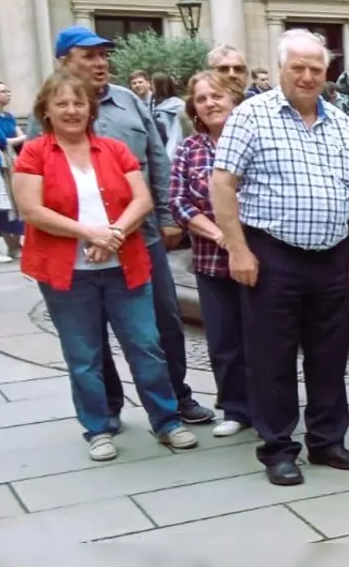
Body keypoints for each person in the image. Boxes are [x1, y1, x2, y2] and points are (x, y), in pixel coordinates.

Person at [210, 29, 349, 486]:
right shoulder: (252, 115)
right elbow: (222, 183)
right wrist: (238, 248)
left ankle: (327, 441)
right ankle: (279, 448)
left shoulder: (342, 121)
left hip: (331, 257)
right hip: (271, 255)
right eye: (298, 68)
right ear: (281, 68)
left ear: (326, 73)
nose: (307, 77)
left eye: (316, 69)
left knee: (329, 354)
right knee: (272, 356)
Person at [12, 71, 200, 462]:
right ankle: (98, 427)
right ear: (46, 110)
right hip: (69, 274)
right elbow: (32, 209)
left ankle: (166, 420)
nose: (71, 110)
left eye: (79, 103)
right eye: (61, 103)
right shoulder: (34, 153)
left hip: (125, 265)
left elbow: (142, 199)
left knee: (146, 346)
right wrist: (90, 234)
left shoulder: (113, 149)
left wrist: (112, 233)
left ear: (90, 108)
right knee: (84, 354)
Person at [37, 27, 211, 426]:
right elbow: (37, 183)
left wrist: (169, 218)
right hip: (77, 249)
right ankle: (109, 406)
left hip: (142, 237)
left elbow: (157, 160)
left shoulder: (129, 100)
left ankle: (177, 397)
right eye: (88, 56)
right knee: (90, 332)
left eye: (103, 56)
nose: (100, 64)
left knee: (163, 322)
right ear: (65, 61)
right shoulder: (46, 112)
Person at [170, 72, 252, 438]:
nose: (210, 103)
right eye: (202, 99)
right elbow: (177, 202)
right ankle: (235, 409)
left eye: (217, 96)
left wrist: (240, 240)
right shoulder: (190, 148)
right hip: (210, 261)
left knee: (263, 338)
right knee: (223, 340)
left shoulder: (255, 141)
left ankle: (269, 405)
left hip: (256, 259)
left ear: (234, 100)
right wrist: (221, 234)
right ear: (195, 109)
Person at [0, 79, 26, 262]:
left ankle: (16, 244)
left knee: (16, 201)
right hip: (1, 163)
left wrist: (20, 138)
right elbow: (1, 140)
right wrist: (21, 138)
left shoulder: (9, 116)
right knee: (3, 205)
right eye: (3, 91)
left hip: (12, 162)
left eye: (8, 90)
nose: (8, 93)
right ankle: (12, 246)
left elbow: (18, 135)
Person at [150, 73, 189, 152]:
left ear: (159, 85)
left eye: (152, 84)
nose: (151, 86)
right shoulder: (154, 103)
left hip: (174, 142)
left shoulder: (177, 105)